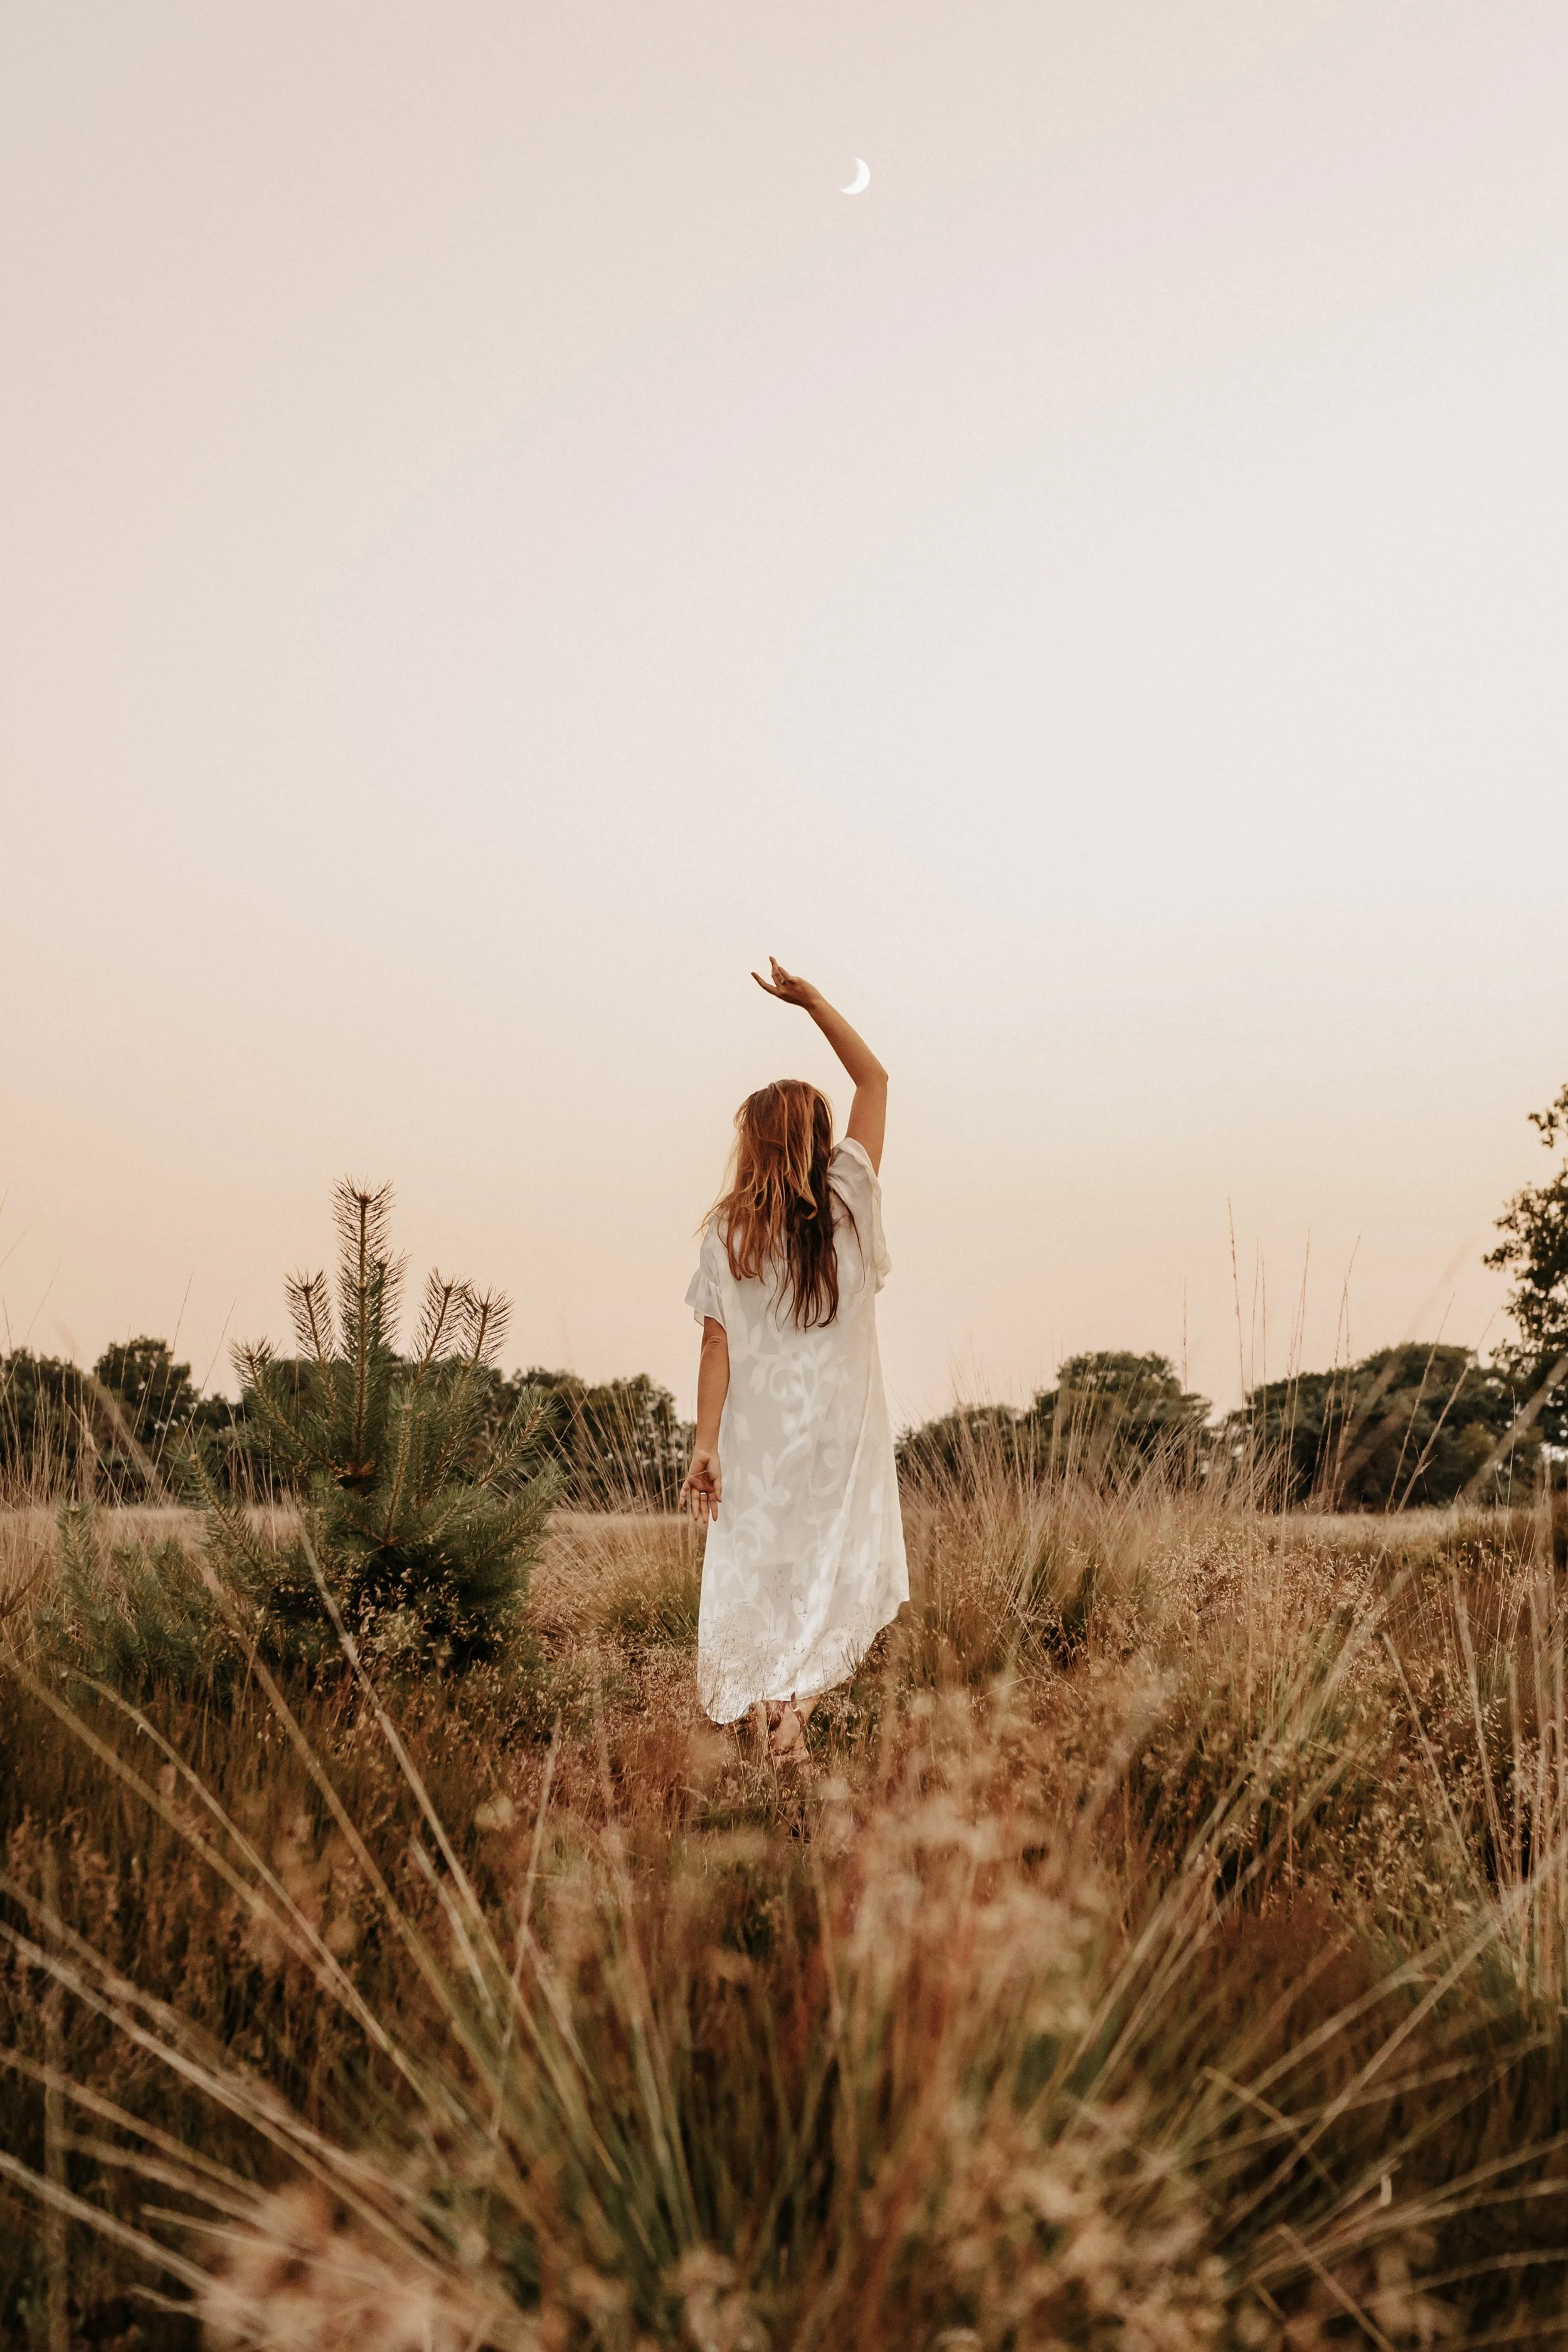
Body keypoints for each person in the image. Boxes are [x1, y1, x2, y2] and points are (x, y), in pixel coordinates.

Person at [679, 959, 909, 1762]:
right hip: (839, 1434)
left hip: (757, 1437)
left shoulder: (729, 1231)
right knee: (839, 1563)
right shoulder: (848, 1198)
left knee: (763, 1570)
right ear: (816, 1138)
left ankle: (772, 1715)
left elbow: (717, 1342)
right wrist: (811, 1000)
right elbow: (874, 1079)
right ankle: (798, 1715)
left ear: (753, 1143)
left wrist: (705, 1446)